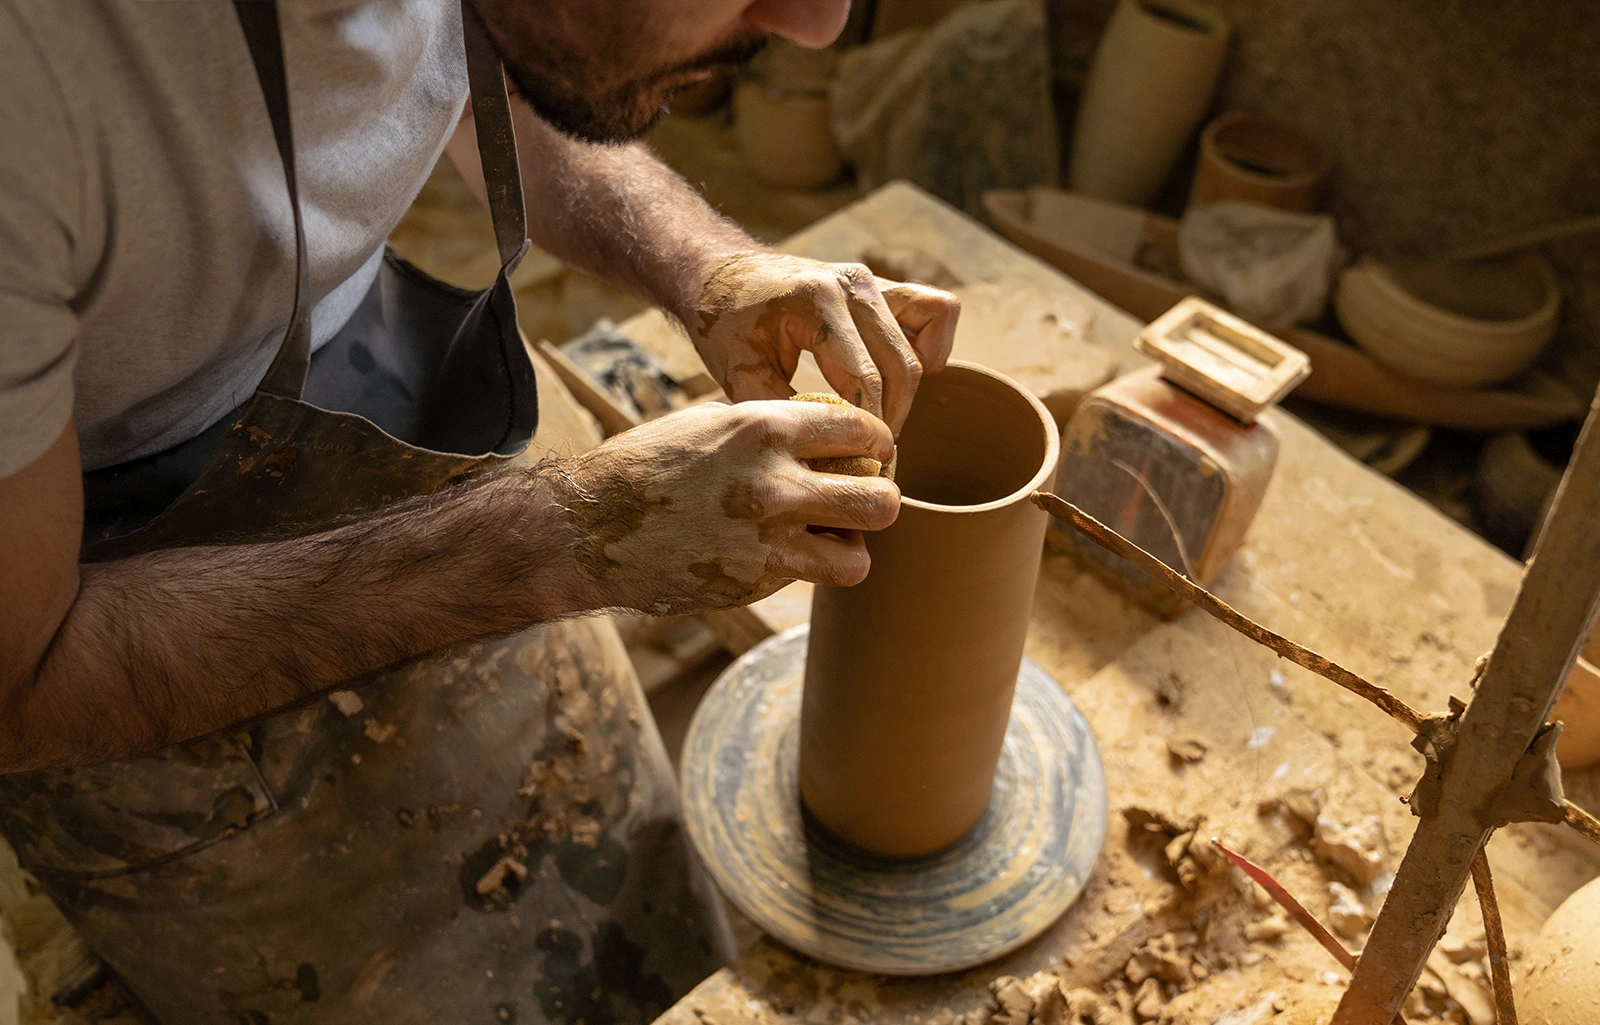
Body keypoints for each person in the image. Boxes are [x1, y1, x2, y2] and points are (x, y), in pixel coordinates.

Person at [0, 1, 959, 1022]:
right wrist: (570, 532)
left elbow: (509, 64)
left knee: (643, 931)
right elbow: (20, 677)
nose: (817, 24)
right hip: (104, 600)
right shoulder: (33, 90)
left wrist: (702, 262)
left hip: (392, 413)